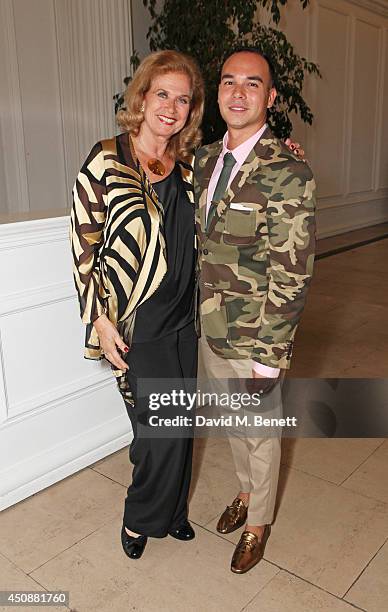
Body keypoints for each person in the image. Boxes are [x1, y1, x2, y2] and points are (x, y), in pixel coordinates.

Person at [70, 50, 204, 560]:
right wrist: (99, 320)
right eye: (162, 94)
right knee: (157, 430)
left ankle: (173, 514)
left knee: (180, 422)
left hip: (184, 319)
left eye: (183, 99)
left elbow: (243, 169)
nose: (171, 107)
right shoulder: (107, 157)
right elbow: (82, 247)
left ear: (191, 111)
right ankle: (139, 517)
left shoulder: (192, 165)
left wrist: (286, 150)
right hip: (134, 321)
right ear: (143, 97)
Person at [194, 49, 316, 574]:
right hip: (210, 328)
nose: (238, 92)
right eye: (228, 82)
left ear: (269, 97)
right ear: (217, 93)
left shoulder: (289, 171)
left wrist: (271, 357)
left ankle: (259, 521)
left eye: (252, 83)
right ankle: (246, 492)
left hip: (255, 335)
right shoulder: (201, 160)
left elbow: (293, 273)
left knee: (261, 432)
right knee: (232, 425)